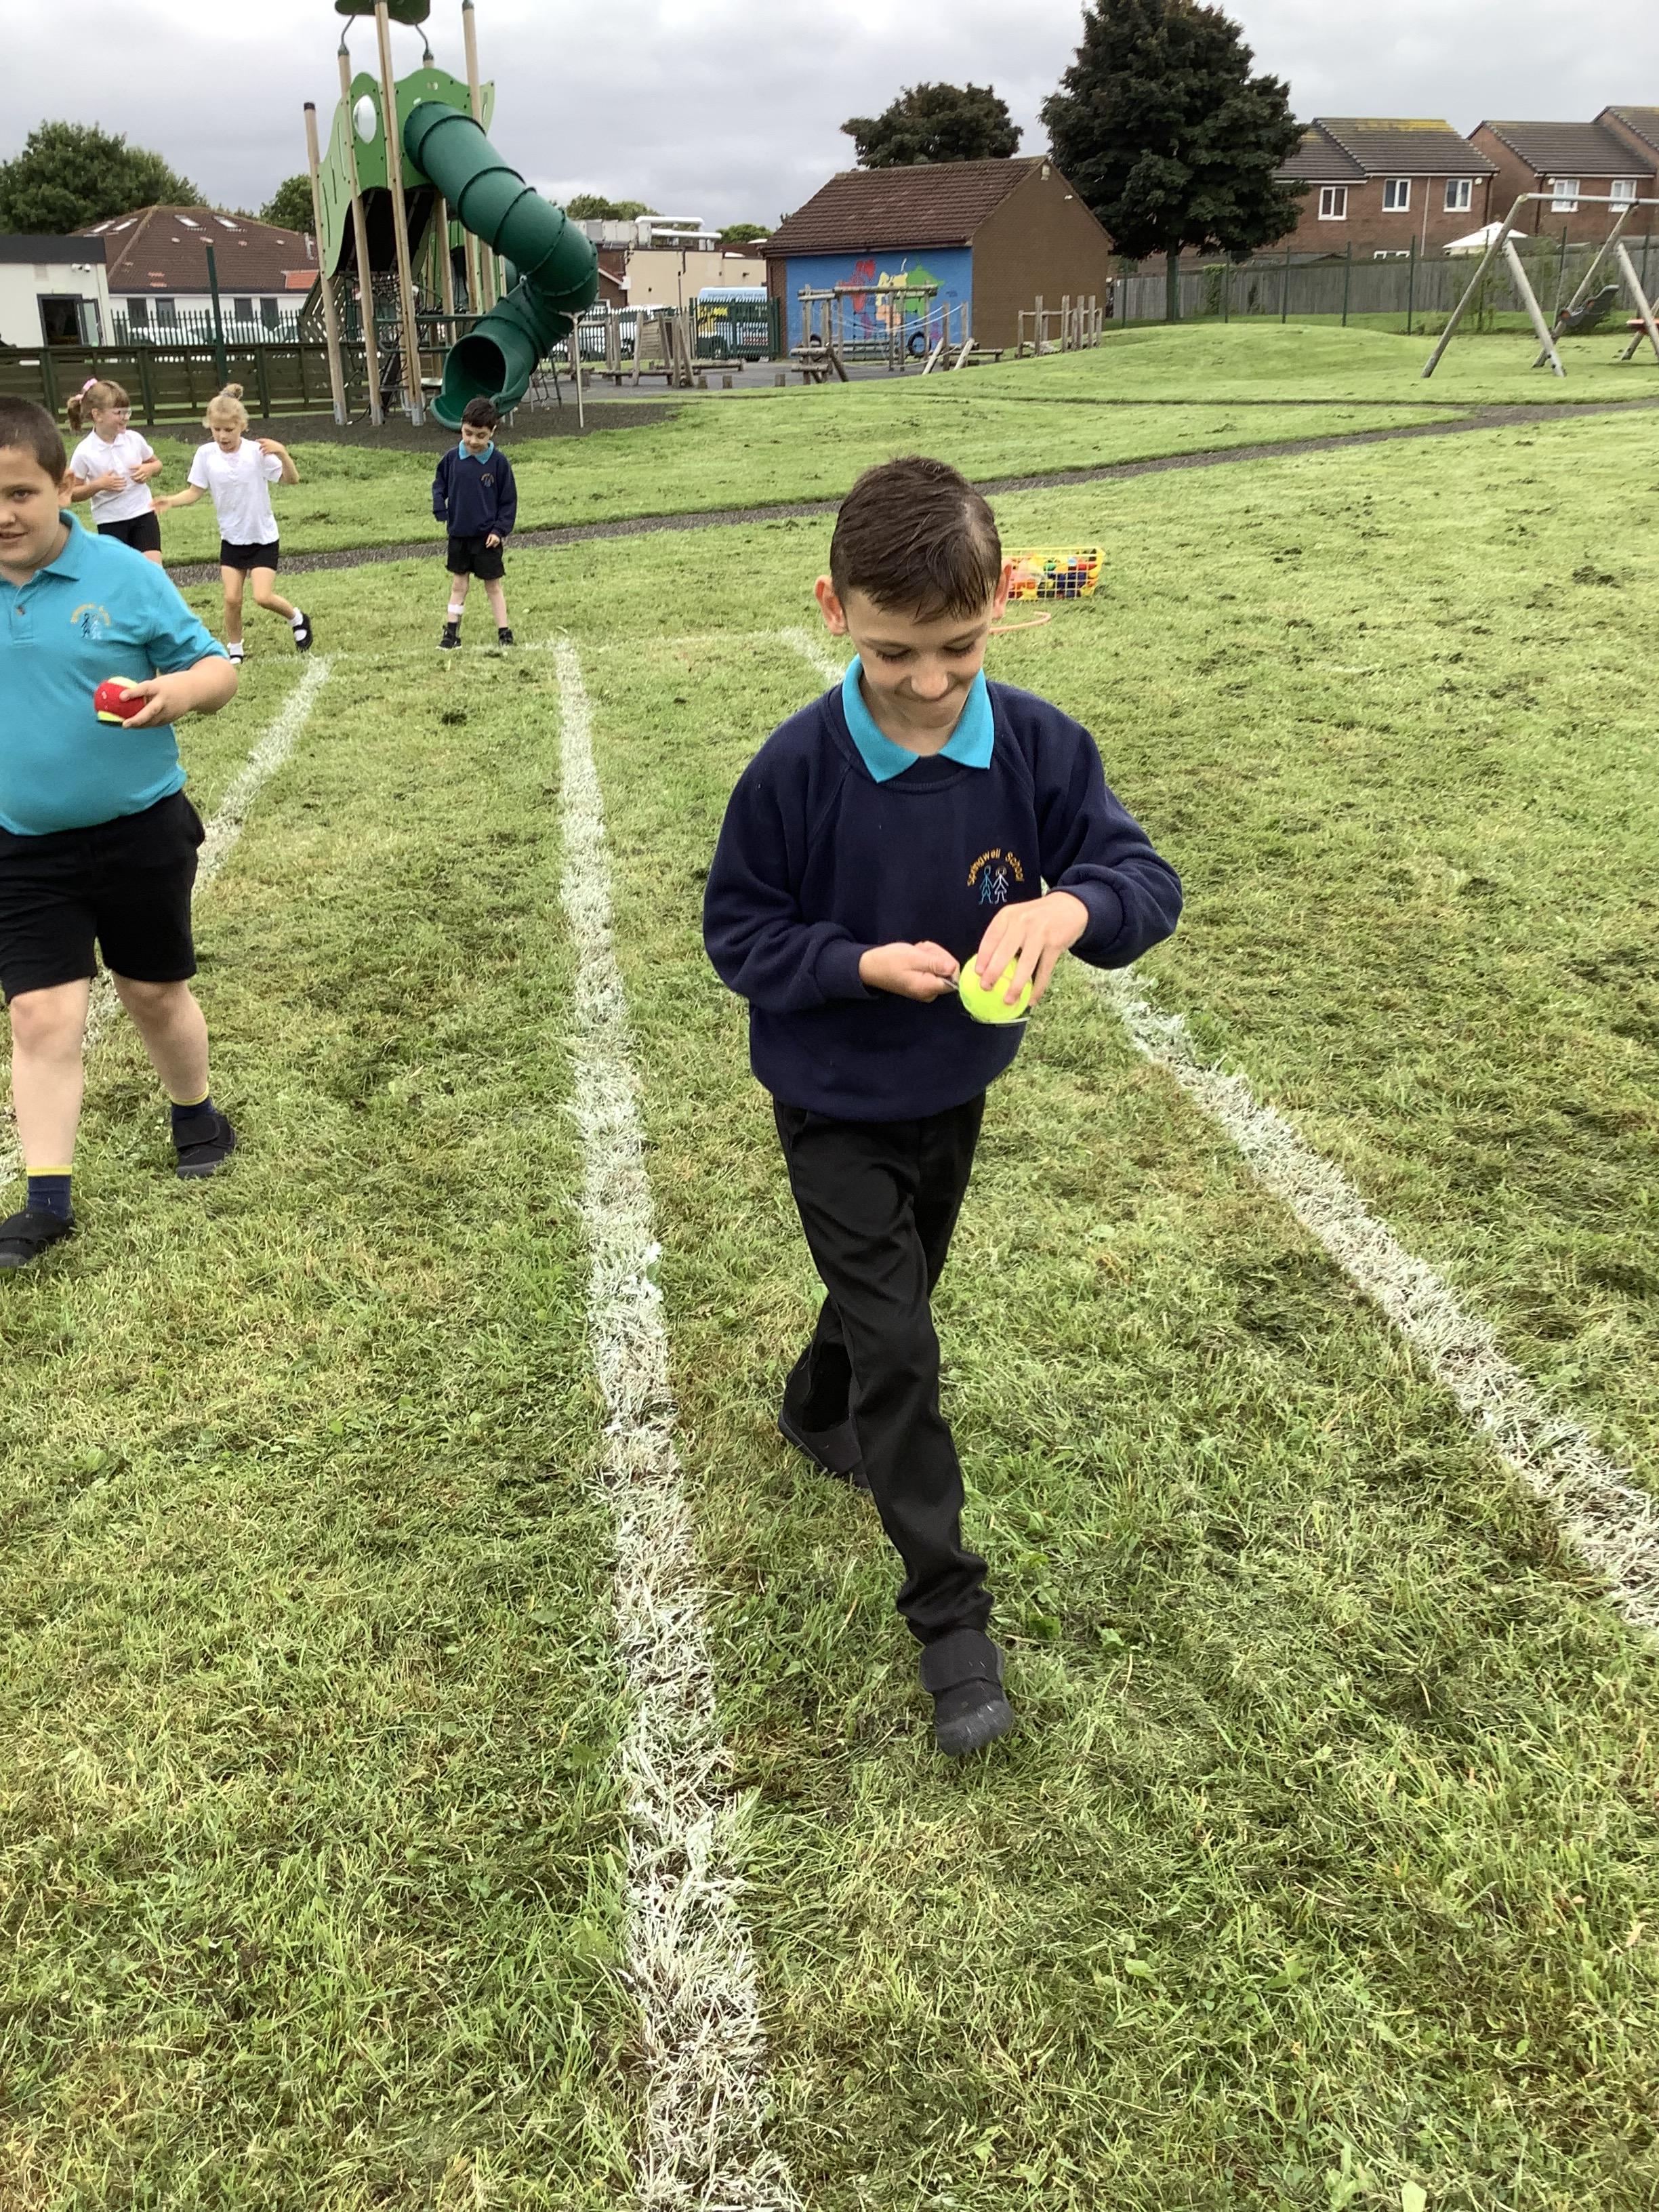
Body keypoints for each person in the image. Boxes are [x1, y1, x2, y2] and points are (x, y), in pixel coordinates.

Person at [703, 456, 1183, 1757]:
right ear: (833, 610)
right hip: (829, 1097)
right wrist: (852, 962)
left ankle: (814, 1403)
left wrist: (1069, 904)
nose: (927, 681)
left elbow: (1141, 877)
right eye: (893, 650)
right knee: (901, 1341)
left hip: (953, 1088)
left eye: (957, 648)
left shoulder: (1036, 745)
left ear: (1001, 605)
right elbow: (738, 931)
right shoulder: (793, 770)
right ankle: (950, 1622)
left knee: (889, 1290)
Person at [0, 398, 241, 1272]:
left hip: (141, 831)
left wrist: (177, 693)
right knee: (40, 1014)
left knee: (152, 992)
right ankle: (47, 1201)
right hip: (23, 846)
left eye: (20, 493)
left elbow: (215, 668)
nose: (4, 515)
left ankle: (196, 1114)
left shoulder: (122, 573)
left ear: (62, 487)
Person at [152, 384, 312, 663]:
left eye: (229, 429)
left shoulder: (257, 452)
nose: (222, 436)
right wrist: (171, 501)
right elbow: (195, 491)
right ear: (209, 427)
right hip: (232, 539)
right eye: (216, 429)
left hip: (263, 538)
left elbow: (292, 479)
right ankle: (235, 649)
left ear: (242, 426)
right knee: (232, 599)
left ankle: (297, 618)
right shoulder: (206, 455)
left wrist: (282, 453)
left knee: (263, 597)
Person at [433, 396, 516, 649]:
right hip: (459, 535)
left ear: (492, 432)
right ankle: (451, 633)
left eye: (481, 436)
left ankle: (504, 632)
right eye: (468, 433)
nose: (473, 441)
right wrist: (440, 507)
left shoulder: (499, 463)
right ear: (462, 427)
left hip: (487, 539)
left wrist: (499, 530)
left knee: (493, 586)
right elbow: (439, 485)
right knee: (459, 585)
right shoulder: (451, 459)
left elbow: (508, 501)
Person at [66, 379, 165, 563]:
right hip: (110, 521)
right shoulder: (85, 451)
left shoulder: (134, 440)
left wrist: (149, 469)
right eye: (119, 413)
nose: (126, 417)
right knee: (122, 572)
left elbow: (157, 464)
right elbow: (72, 493)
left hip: (143, 513)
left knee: (153, 569)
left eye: (128, 412)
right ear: (97, 415)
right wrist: (98, 485)